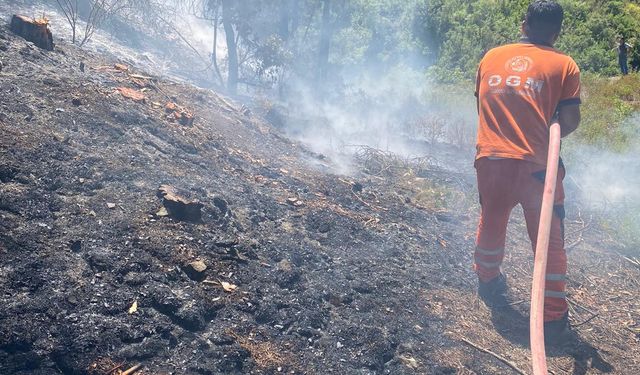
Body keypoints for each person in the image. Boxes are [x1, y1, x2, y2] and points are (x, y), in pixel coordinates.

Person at [473, 0, 581, 345]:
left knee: (491, 220)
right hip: (536, 169)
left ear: (524, 24)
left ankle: (487, 281)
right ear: (557, 31)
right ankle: (551, 320)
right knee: (548, 240)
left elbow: (482, 104)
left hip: (489, 159)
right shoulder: (564, 65)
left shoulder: (491, 56)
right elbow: (570, 122)